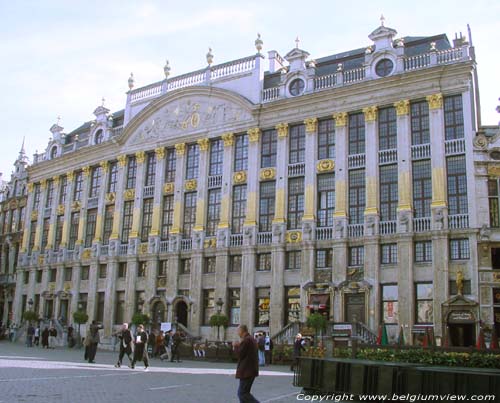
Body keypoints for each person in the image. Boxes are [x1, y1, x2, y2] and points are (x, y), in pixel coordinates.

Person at [233, 324, 259, 403]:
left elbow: (240, 354)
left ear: (242, 331)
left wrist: (236, 346)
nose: (237, 333)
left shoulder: (246, 340)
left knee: (242, 393)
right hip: (250, 370)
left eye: (238, 331)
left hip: (246, 370)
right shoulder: (251, 339)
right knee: (244, 393)